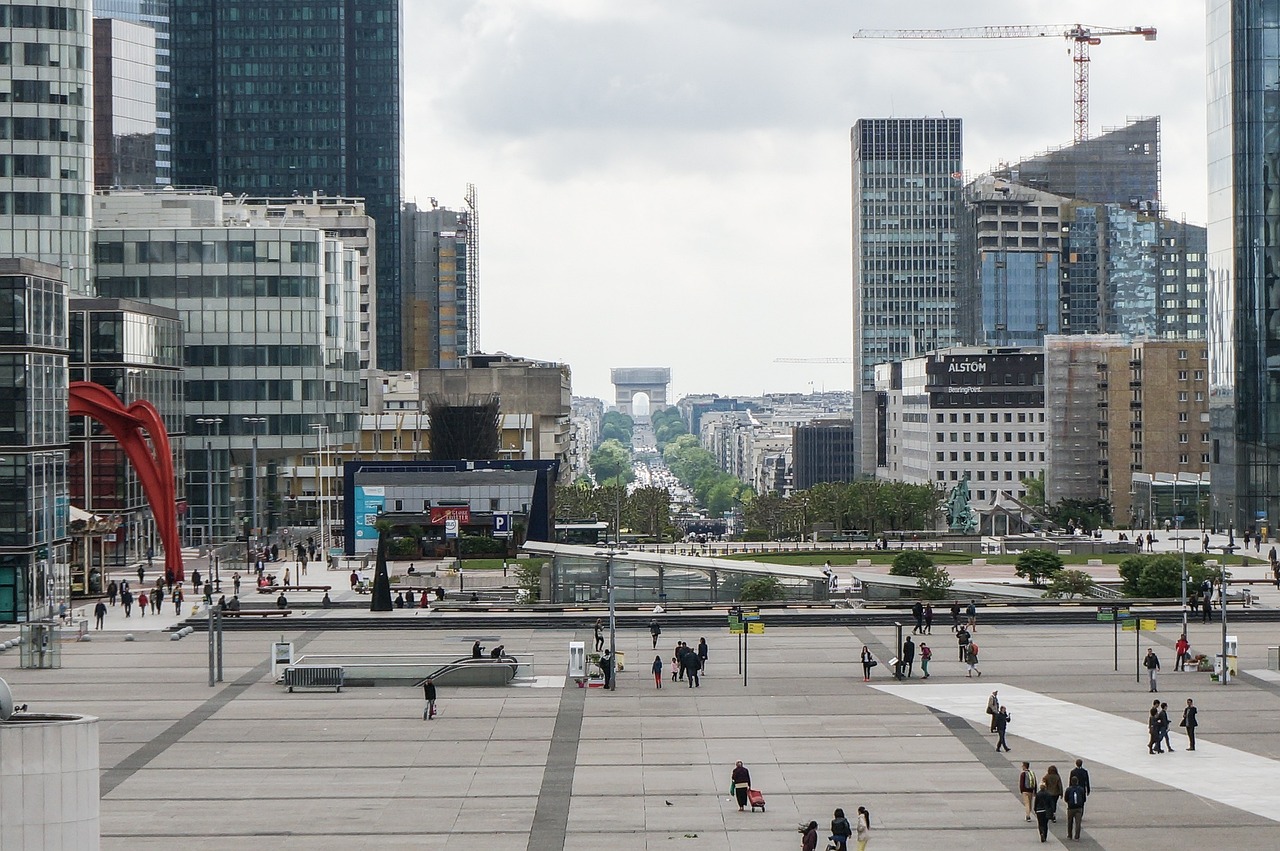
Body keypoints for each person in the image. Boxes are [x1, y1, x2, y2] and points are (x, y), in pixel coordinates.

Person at [1064, 775, 1087, 840]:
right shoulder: (1081, 789)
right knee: (1078, 822)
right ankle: (1077, 836)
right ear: (1077, 782)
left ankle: (1069, 835)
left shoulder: (1068, 789)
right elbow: (1084, 799)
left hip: (1071, 808)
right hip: (1079, 808)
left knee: (1069, 822)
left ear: (1071, 782)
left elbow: (1066, 798)